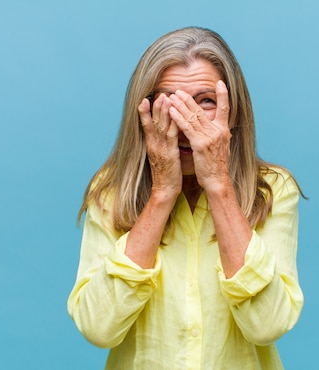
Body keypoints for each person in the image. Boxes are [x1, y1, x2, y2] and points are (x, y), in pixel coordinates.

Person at [67, 26, 305, 369]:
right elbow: (98, 328)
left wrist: (220, 185)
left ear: (233, 111)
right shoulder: (110, 192)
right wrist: (162, 192)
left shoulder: (274, 189)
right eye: (168, 102)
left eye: (205, 101)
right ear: (143, 112)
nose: (185, 121)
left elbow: (267, 325)